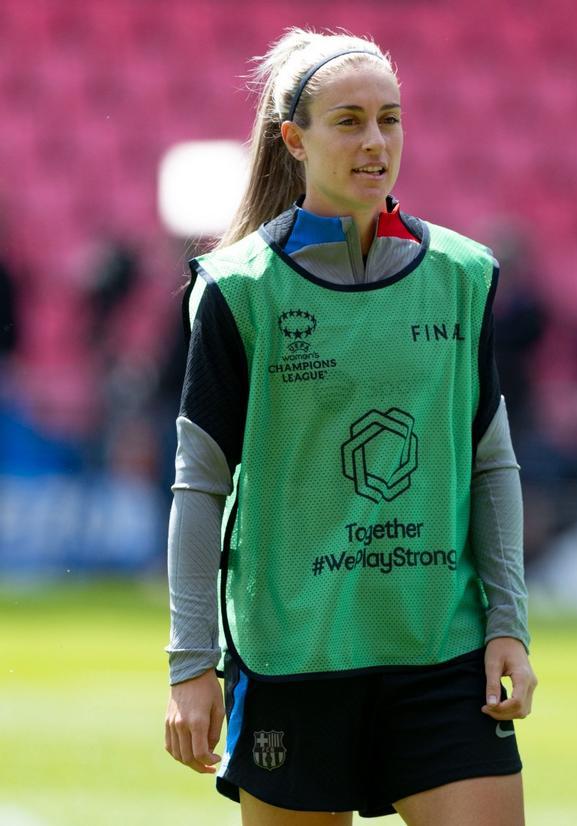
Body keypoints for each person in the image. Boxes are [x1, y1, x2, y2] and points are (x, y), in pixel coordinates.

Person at [162, 29, 535, 825]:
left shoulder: (465, 276)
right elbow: (199, 488)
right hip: (296, 653)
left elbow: (491, 466)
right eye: (350, 120)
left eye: (390, 119)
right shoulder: (237, 291)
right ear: (294, 139)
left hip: (442, 652)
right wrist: (192, 666)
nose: (376, 142)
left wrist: (509, 625)